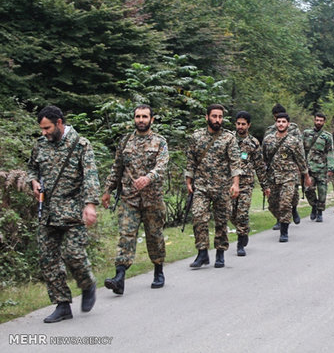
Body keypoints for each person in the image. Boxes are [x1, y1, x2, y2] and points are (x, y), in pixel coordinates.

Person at [27, 105, 100, 323]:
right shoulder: (40, 145)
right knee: (47, 259)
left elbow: (91, 176)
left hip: (73, 211)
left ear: (59, 123)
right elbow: (32, 169)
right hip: (47, 211)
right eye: (41, 129)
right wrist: (33, 181)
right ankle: (62, 304)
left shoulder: (80, 145)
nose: (44, 132)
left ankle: (87, 284)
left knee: (73, 254)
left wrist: (90, 205)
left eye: (47, 128)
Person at [102, 105, 169, 295]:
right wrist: (107, 189)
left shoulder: (159, 142)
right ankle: (119, 277)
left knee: (154, 236)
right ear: (134, 119)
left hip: (152, 199)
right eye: (138, 116)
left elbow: (162, 165)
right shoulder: (125, 142)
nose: (141, 120)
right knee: (126, 235)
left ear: (152, 119)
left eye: (145, 116)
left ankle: (158, 270)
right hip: (129, 198)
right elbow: (117, 168)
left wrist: (149, 177)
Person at [185, 104, 241, 269]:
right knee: (198, 217)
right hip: (201, 186)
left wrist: (235, 184)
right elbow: (191, 160)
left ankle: (220, 253)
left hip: (222, 186)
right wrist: (188, 180)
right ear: (207, 117)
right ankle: (202, 252)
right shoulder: (197, 137)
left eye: (220, 117)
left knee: (221, 221)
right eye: (214, 116)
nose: (217, 120)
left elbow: (235, 162)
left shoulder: (228, 138)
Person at [263, 113, 312, 242]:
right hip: (273, 177)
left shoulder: (293, 141)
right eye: (278, 121)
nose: (280, 124)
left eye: (283, 121)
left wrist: (306, 176)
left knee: (285, 204)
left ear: (288, 124)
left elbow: (301, 159)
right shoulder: (268, 140)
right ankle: (285, 215)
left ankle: (284, 231)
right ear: (275, 123)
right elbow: (264, 159)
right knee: (273, 205)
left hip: (289, 177)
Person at [232, 111, 268, 256]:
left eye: (243, 124)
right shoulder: (229, 140)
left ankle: (240, 243)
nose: (240, 127)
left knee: (242, 213)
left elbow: (259, 165)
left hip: (246, 183)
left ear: (249, 125)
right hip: (229, 183)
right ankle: (244, 230)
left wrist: (265, 185)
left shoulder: (253, 143)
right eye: (238, 124)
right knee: (230, 213)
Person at [265, 104, 302, 229]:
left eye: (282, 119)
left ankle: (293, 210)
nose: (280, 122)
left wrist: (301, 168)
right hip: (274, 171)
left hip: (290, 169)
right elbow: (265, 152)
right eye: (277, 118)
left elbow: (299, 147)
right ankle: (279, 219)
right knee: (274, 201)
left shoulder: (294, 129)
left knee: (291, 195)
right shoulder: (270, 131)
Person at [303, 112, 334, 222]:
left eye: (321, 121)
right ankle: (314, 206)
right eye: (317, 120)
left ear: (324, 122)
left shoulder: (327, 136)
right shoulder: (306, 133)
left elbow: (330, 152)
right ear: (314, 120)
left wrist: (331, 167)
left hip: (322, 168)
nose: (318, 122)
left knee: (322, 191)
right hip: (309, 168)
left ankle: (320, 211)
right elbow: (301, 150)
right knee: (308, 189)